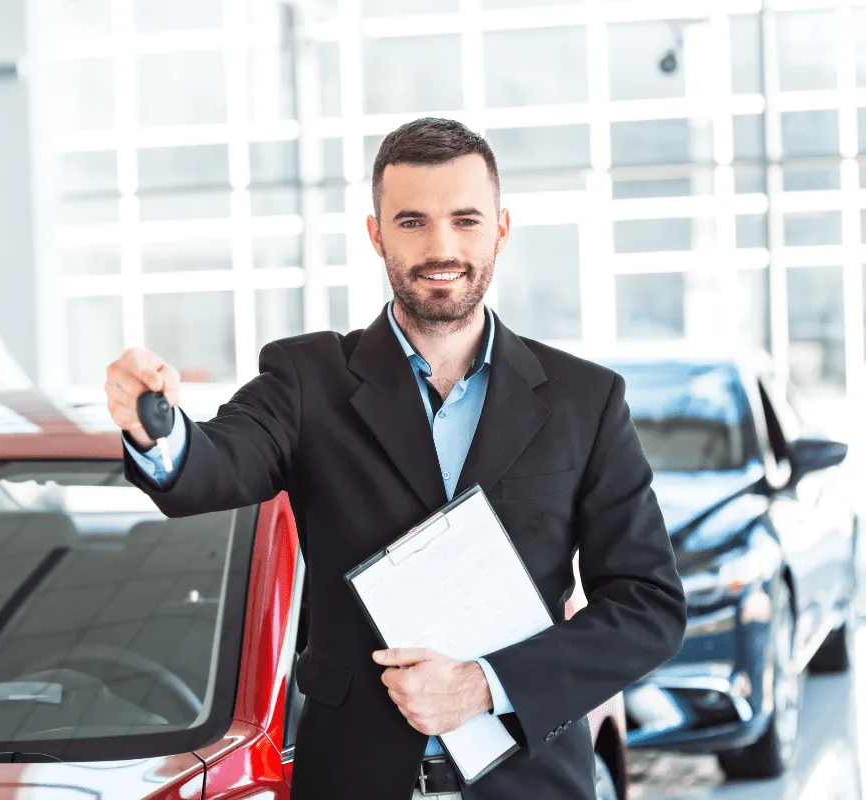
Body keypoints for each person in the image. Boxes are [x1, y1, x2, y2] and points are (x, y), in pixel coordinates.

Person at [105, 117, 687, 800]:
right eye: (412, 222)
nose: (442, 247)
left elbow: (649, 607)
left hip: (531, 783)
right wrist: (158, 430)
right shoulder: (306, 380)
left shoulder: (585, 401)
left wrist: (483, 686)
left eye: (465, 220)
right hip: (357, 781)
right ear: (376, 234)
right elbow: (213, 466)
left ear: (500, 228)